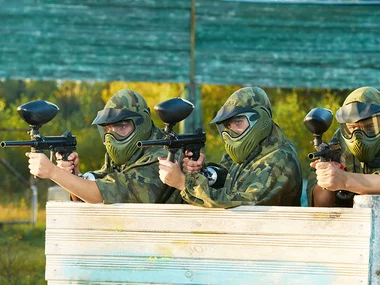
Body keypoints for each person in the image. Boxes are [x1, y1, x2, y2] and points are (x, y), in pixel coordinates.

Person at [26, 89, 183, 204]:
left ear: (142, 123)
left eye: (122, 126)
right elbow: (91, 191)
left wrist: (53, 172)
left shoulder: (164, 155)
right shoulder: (127, 154)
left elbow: (105, 194)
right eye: (109, 128)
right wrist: (73, 175)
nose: (113, 135)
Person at [158, 86, 303, 208]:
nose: (231, 131)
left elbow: (241, 203)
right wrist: (207, 173)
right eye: (228, 125)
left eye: (238, 122)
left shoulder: (279, 158)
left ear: (261, 118)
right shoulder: (249, 151)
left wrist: (184, 184)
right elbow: (227, 177)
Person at [307, 86, 380, 207]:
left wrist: (345, 180)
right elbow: (320, 207)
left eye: (370, 127)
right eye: (352, 127)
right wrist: (327, 179)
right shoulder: (337, 147)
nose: (358, 136)